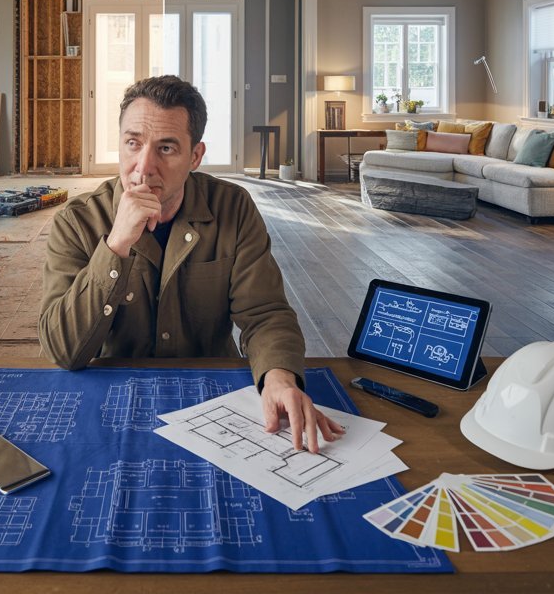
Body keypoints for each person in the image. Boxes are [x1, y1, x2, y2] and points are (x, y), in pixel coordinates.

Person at [38, 75, 344, 452]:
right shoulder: (77, 221)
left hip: (215, 394)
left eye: (166, 148)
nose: (144, 167)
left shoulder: (233, 208)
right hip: (111, 393)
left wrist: (278, 379)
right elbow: (63, 349)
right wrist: (115, 245)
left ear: (195, 156)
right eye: (133, 143)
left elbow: (265, 313)